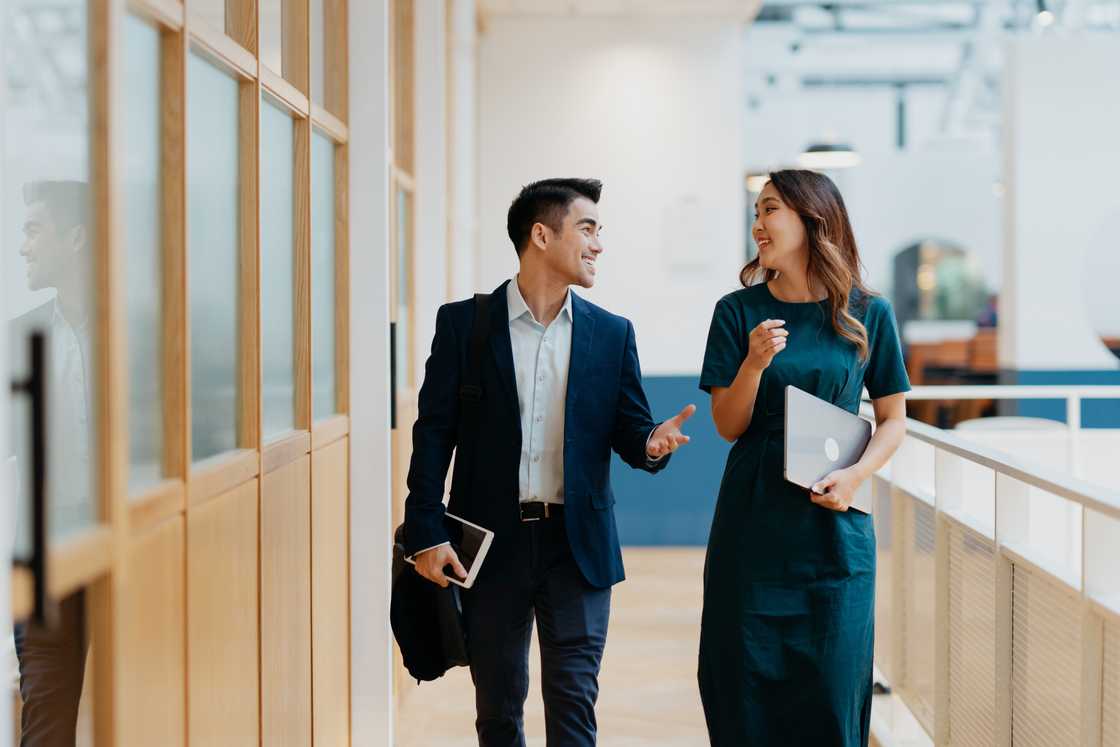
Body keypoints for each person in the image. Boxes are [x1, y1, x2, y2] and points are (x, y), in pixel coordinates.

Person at [403, 178, 695, 746]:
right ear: (541, 234)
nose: (598, 244)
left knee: (574, 708)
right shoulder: (465, 326)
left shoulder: (611, 334)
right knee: (498, 709)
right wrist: (424, 529)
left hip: (577, 548)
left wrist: (652, 443)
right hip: (490, 546)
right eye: (587, 228)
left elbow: (631, 429)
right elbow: (433, 435)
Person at [697, 170, 909, 746]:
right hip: (753, 524)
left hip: (832, 528)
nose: (758, 224)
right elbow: (727, 425)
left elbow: (893, 420)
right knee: (743, 688)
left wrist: (856, 475)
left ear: (812, 220)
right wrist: (754, 364)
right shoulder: (737, 312)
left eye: (770, 211)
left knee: (832, 691)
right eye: (757, 211)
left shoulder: (870, 312)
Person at [9, 180, 95, 746]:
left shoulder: (142, 330)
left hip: (140, 537)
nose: (23, 246)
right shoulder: (21, 335)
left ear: (77, 238)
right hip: (49, 544)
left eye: (34, 229)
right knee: (45, 704)